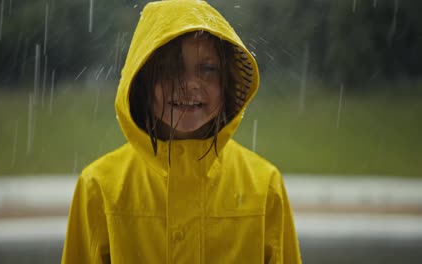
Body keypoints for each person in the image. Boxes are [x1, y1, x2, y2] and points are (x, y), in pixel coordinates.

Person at [62, 0, 301, 263]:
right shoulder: (99, 188)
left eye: (208, 69)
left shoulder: (263, 185)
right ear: (141, 80)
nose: (190, 85)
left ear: (227, 82)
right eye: (169, 68)